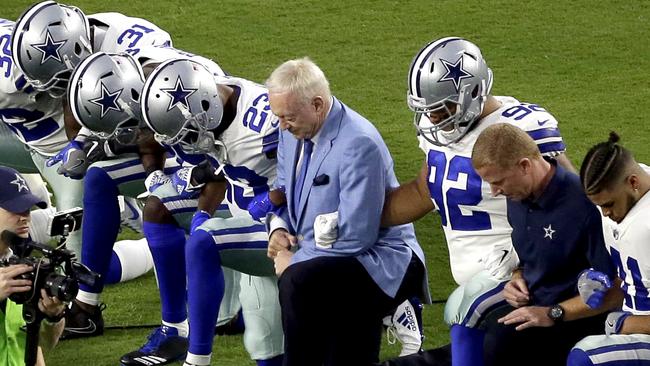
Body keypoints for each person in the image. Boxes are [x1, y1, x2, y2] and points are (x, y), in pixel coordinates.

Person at [378, 36, 575, 366]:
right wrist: (356, 218)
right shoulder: (438, 132)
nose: (437, 118)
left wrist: (529, 266)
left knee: (464, 313)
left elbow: (572, 202)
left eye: (445, 108)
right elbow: (423, 192)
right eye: (431, 110)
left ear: (473, 91)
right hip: (480, 286)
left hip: (521, 284)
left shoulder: (521, 128)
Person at [7, 0, 174, 338]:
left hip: (133, 143)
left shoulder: (143, 54)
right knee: (49, 252)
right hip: (36, 143)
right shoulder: (21, 62)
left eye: (58, 82)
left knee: (76, 263)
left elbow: (164, 128)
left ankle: (156, 246)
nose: (47, 92)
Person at [117, 57, 285, 366]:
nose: (184, 144)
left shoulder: (265, 124)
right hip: (245, 213)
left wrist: (277, 198)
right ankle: (177, 331)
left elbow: (315, 163)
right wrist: (203, 213)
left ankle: (196, 359)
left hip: (287, 225)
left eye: (188, 133)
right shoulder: (212, 104)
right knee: (264, 343)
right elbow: (223, 169)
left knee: (204, 243)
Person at [265, 57, 428, 366]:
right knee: (348, 352)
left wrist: (293, 260)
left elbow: (357, 236)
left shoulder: (358, 143)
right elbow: (285, 191)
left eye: (287, 117)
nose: (281, 125)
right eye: (279, 116)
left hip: (381, 261)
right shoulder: (292, 131)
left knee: (298, 282)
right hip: (331, 256)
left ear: (316, 104)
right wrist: (278, 229)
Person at [467, 123, 621, 365]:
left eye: (497, 182)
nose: (494, 191)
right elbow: (533, 256)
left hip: (577, 320)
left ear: (525, 166)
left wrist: (554, 313)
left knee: (500, 343)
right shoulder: (517, 194)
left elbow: (615, 289)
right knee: (486, 333)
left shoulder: (584, 206)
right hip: (536, 306)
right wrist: (517, 277)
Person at [566, 132, 650, 365]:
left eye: (609, 204)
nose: (605, 214)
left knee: (586, 356)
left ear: (633, 183)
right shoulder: (628, 185)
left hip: (638, 328)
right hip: (627, 322)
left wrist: (628, 323)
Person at [0, 165, 66, 366]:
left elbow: (42, 346)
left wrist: (52, 317)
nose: (25, 217)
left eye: (27, 209)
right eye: (15, 209)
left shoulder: (22, 268)